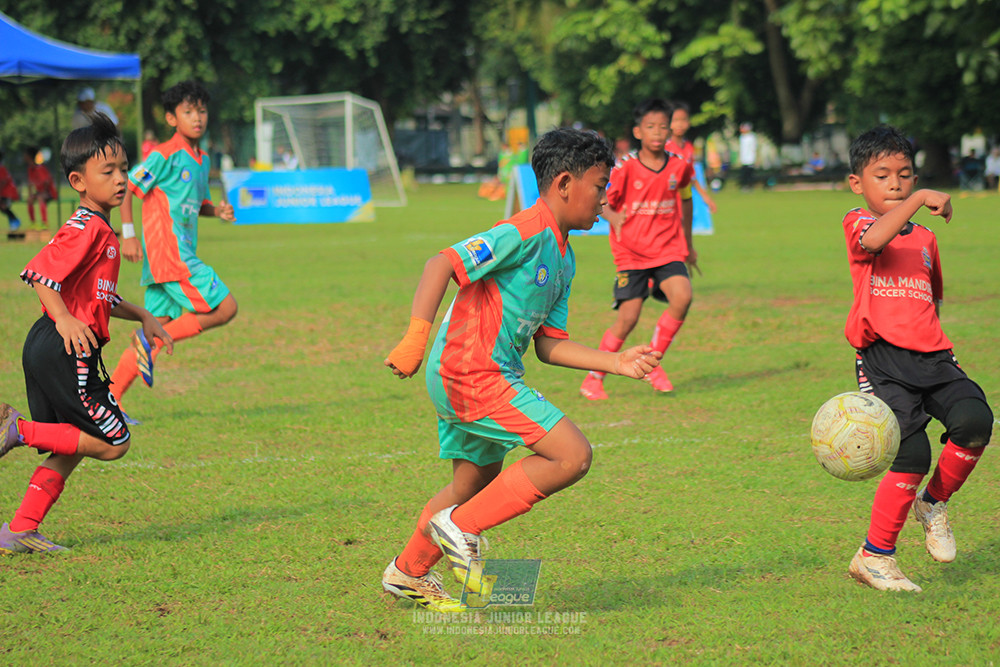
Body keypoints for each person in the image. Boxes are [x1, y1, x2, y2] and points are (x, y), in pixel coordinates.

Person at [380, 128, 662, 612]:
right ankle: (461, 529)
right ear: (566, 183)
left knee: (471, 486)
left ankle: (407, 572)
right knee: (571, 455)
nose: (605, 198)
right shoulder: (522, 232)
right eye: (600, 186)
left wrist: (614, 361)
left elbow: (549, 344)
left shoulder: (564, 256)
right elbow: (441, 264)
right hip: (470, 371)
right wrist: (415, 336)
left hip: (490, 371)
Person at [0, 113, 172, 554]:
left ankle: (20, 529)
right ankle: (16, 429)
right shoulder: (86, 227)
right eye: (107, 171)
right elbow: (40, 273)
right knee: (115, 442)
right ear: (78, 180)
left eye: (123, 168)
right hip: (64, 348)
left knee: (74, 444)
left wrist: (142, 316)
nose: (120, 179)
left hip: (56, 344)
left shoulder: (100, 229)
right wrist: (63, 319)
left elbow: (98, 297)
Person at [841, 125, 993, 592]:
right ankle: (875, 556)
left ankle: (934, 503)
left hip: (934, 355)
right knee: (911, 453)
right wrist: (922, 194)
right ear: (857, 184)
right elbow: (874, 242)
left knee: (974, 421)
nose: (894, 183)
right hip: (883, 360)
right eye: (881, 175)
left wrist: (938, 344)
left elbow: (932, 297)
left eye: (904, 175)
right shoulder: (858, 222)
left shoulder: (926, 239)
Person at [109, 81, 237, 411]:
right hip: (172, 254)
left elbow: (197, 202)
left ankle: (111, 401)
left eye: (202, 111)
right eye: (188, 111)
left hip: (167, 260)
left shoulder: (202, 159)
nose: (197, 118)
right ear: (171, 119)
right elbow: (126, 186)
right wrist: (128, 233)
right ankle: (148, 343)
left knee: (159, 322)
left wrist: (215, 210)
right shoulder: (164, 155)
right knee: (225, 309)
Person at [579, 99, 696, 401]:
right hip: (631, 253)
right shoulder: (626, 167)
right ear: (638, 131)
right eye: (650, 127)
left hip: (668, 250)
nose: (657, 133)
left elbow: (685, 199)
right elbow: (601, 197)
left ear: (670, 130)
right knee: (628, 319)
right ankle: (594, 378)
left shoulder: (680, 166)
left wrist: (689, 245)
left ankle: (653, 363)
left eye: (662, 127)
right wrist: (613, 216)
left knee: (682, 296)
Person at [665, 102, 717, 213]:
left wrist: (706, 198)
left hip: (683, 200)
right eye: (675, 120)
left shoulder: (688, 147)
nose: (679, 124)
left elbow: (691, 176)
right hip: (667, 200)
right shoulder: (664, 148)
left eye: (683, 120)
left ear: (688, 123)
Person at [23, 146, 58, 231]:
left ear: (30, 156)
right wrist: (31, 194)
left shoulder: (39, 168)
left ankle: (44, 223)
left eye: (25, 155)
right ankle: (33, 223)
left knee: (40, 198)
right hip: (40, 192)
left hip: (49, 192)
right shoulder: (30, 169)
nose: (24, 156)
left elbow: (46, 182)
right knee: (30, 200)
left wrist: (42, 192)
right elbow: (30, 183)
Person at [0, 149, 21, 231]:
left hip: (7, 192)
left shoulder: (1, 168)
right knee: (3, 207)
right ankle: (14, 222)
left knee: (3, 207)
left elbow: (3, 182)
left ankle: (15, 221)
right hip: (5, 191)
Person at [738, 122, 757, 190]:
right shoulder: (742, 137)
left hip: (750, 159)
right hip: (744, 160)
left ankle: (750, 186)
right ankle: (744, 186)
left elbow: (754, 148)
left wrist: (755, 158)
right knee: (743, 174)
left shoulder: (752, 137)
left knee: (750, 174)